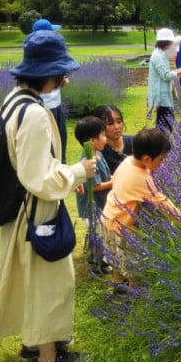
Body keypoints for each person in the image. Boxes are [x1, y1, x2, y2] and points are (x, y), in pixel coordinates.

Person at [0, 29, 97, 362]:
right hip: (36, 213)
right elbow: (38, 179)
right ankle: (49, 360)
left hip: (18, 209)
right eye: (61, 74)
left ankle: (34, 343)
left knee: (32, 282)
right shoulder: (35, 115)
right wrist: (78, 172)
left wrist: (64, 172)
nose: (64, 80)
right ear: (47, 74)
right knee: (49, 287)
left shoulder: (14, 100)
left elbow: (31, 163)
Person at [101, 127, 181, 288]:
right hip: (123, 227)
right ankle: (134, 292)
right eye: (161, 160)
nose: (162, 163)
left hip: (107, 217)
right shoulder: (140, 178)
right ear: (147, 158)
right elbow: (164, 204)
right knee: (133, 265)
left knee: (115, 259)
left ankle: (118, 287)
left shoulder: (127, 162)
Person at [74, 116, 113, 275]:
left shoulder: (98, 154)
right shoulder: (89, 160)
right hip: (91, 207)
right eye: (103, 135)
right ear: (92, 140)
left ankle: (95, 258)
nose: (105, 138)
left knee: (99, 233)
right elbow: (95, 186)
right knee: (97, 235)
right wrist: (114, 183)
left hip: (100, 204)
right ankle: (98, 264)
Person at [33, 19, 69, 163]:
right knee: (55, 148)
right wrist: (61, 82)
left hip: (50, 106)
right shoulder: (45, 57)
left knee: (55, 147)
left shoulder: (36, 56)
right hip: (48, 109)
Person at [147, 28, 181, 133]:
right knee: (164, 126)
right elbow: (165, 75)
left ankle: (163, 146)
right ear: (166, 42)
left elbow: (165, 72)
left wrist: (177, 70)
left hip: (164, 94)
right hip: (161, 96)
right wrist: (179, 72)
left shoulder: (161, 53)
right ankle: (162, 147)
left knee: (166, 124)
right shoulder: (158, 56)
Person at [93, 104, 133, 175]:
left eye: (119, 121)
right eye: (110, 123)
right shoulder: (98, 151)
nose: (117, 127)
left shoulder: (135, 142)